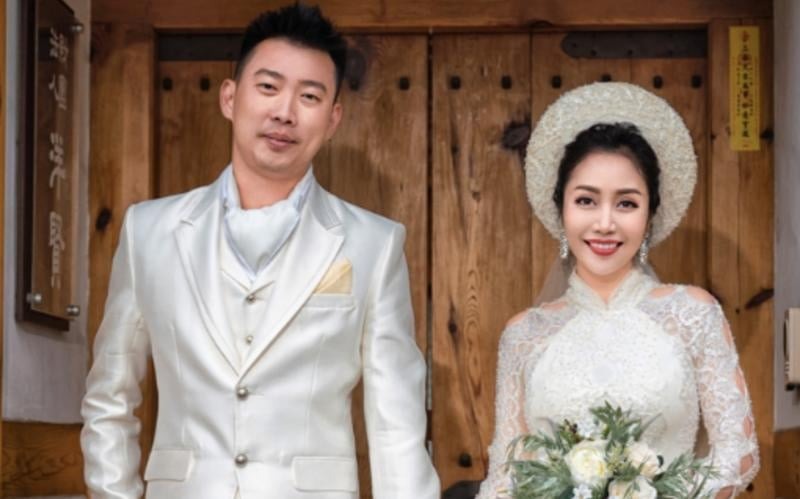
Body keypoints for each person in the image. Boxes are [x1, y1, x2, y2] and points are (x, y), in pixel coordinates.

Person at [80, 5, 439, 498]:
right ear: (230, 97)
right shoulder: (149, 230)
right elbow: (110, 397)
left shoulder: (374, 245)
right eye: (268, 87)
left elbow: (396, 423)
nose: (285, 112)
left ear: (333, 118)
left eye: (309, 96)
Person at [476, 82, 759, 498]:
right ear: (561, 208)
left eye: (626, 203)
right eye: (586, 201)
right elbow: (507, 474)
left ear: (649, 214)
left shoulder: (693, 313)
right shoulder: (523, 335)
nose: (605, 223)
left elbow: (739, 455)